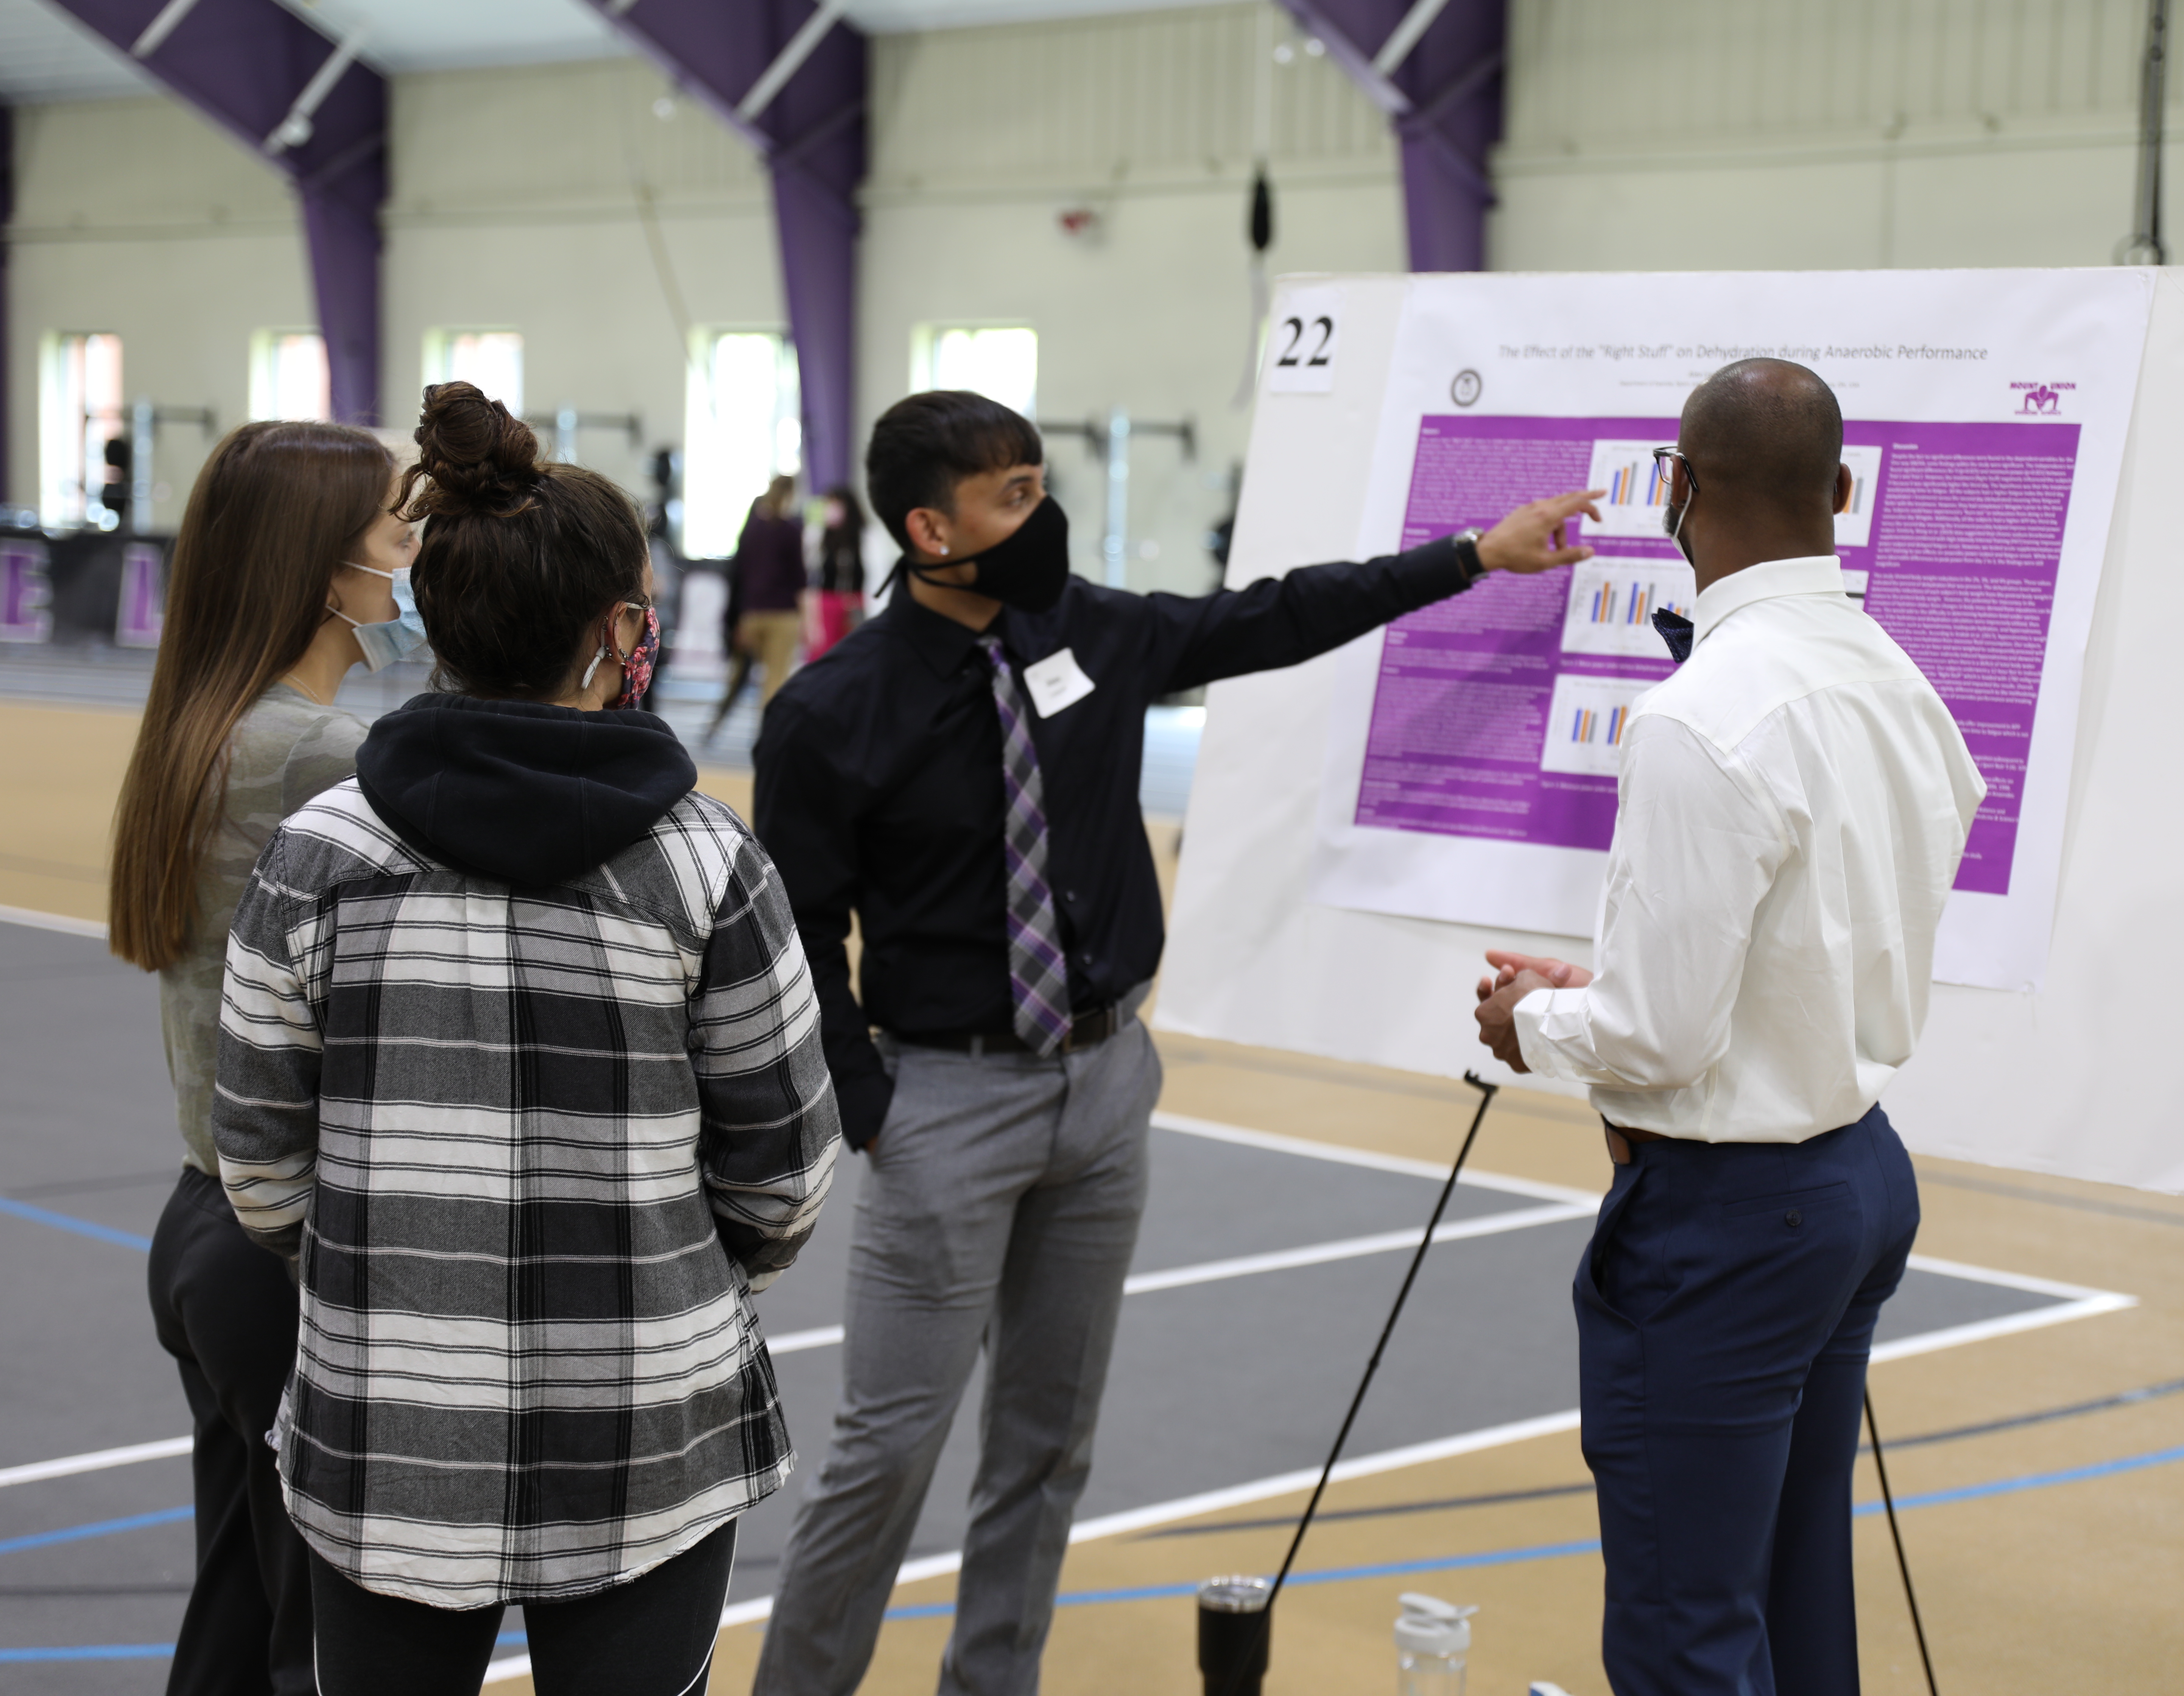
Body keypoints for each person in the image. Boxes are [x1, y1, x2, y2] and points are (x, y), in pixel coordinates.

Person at [748, 388, 1602, 1695]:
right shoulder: (831, 712)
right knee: (890, 1447)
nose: (1048, 514)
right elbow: (800, 931)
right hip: (945, 1105)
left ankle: (995, 1682)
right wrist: (874, 1103)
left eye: (1042, 482)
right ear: (929, 528)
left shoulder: (1086, 630)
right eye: (1015, 496)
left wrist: (1473, 555)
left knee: (1046, 1445)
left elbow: (1273, 615)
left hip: (1103, 1090)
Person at [210, 383, 843, 1695]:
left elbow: (260, 1168)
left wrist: (396, 1272)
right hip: (646, 1433)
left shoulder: (320, 855)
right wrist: (670, 1279)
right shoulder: (707, 864)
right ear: (623, 630)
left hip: (386, 1427)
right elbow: (783, 1174)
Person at [1472, 360, 1984, 1696]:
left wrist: (1539, 1021)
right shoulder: (1895, 674)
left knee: (1685, 1624)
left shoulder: (1701, 714)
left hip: (1733, 1215)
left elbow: (1660, 1040)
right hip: (1858, 1175)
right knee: (1795, 1584)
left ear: (1679, 490)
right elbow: (1801, 938)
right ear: (1847, 493)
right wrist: (1601, 989)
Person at [107, 418, 414, 1696]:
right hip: (286, 1249)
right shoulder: (317, 753)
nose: (417, 555)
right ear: (325, 567)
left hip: (207, 1222)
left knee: (239, 1615)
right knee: (323, 1650)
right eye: (402, 528)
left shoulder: (212, 720)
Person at [710, 473, 809, 734]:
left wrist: (739, 617)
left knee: (738, 676)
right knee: (774, 681)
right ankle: (768, 738)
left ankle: (716, 723)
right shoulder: (791, 530)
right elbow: (799, 578)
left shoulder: (752, 528)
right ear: (790, 495)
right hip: (782, 615)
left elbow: (739, 573)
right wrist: (809, 619)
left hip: (751, 614)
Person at [806, 483, 867, 660]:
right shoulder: (821, 537)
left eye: (836, 505)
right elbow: (812, 571)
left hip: (855, 601)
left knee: (853, 653)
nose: (831, 510)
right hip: (827, 601)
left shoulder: (863, 536)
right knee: (824, 653)